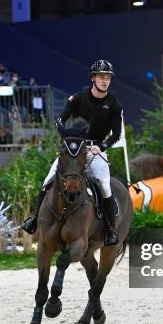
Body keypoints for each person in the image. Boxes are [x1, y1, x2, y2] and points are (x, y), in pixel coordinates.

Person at [20, 59, 123, 246]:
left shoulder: (114, 103)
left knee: (105, 185)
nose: (104, 80)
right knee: (48, 180)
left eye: (107, 77)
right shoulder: (79, 97)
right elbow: (60, 120)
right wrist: (68, 137)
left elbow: (116, 134)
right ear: (93, 78)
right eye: (101, 76)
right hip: (74, 148)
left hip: (95, 150)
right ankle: (34, 218)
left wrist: (102, 147)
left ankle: (110, 230)